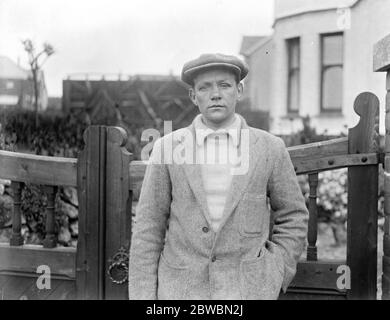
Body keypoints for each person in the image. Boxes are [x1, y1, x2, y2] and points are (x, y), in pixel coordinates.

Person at [128, 53, 308, 300]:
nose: (216, 94)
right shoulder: (167, 148)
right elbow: (149, 226)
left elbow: (293, 215)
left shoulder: (270, 148)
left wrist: (276, 270)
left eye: (224, 85)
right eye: (204, 87)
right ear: (193, 96)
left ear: (239, 90)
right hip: (181, 292)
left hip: (248, 291)